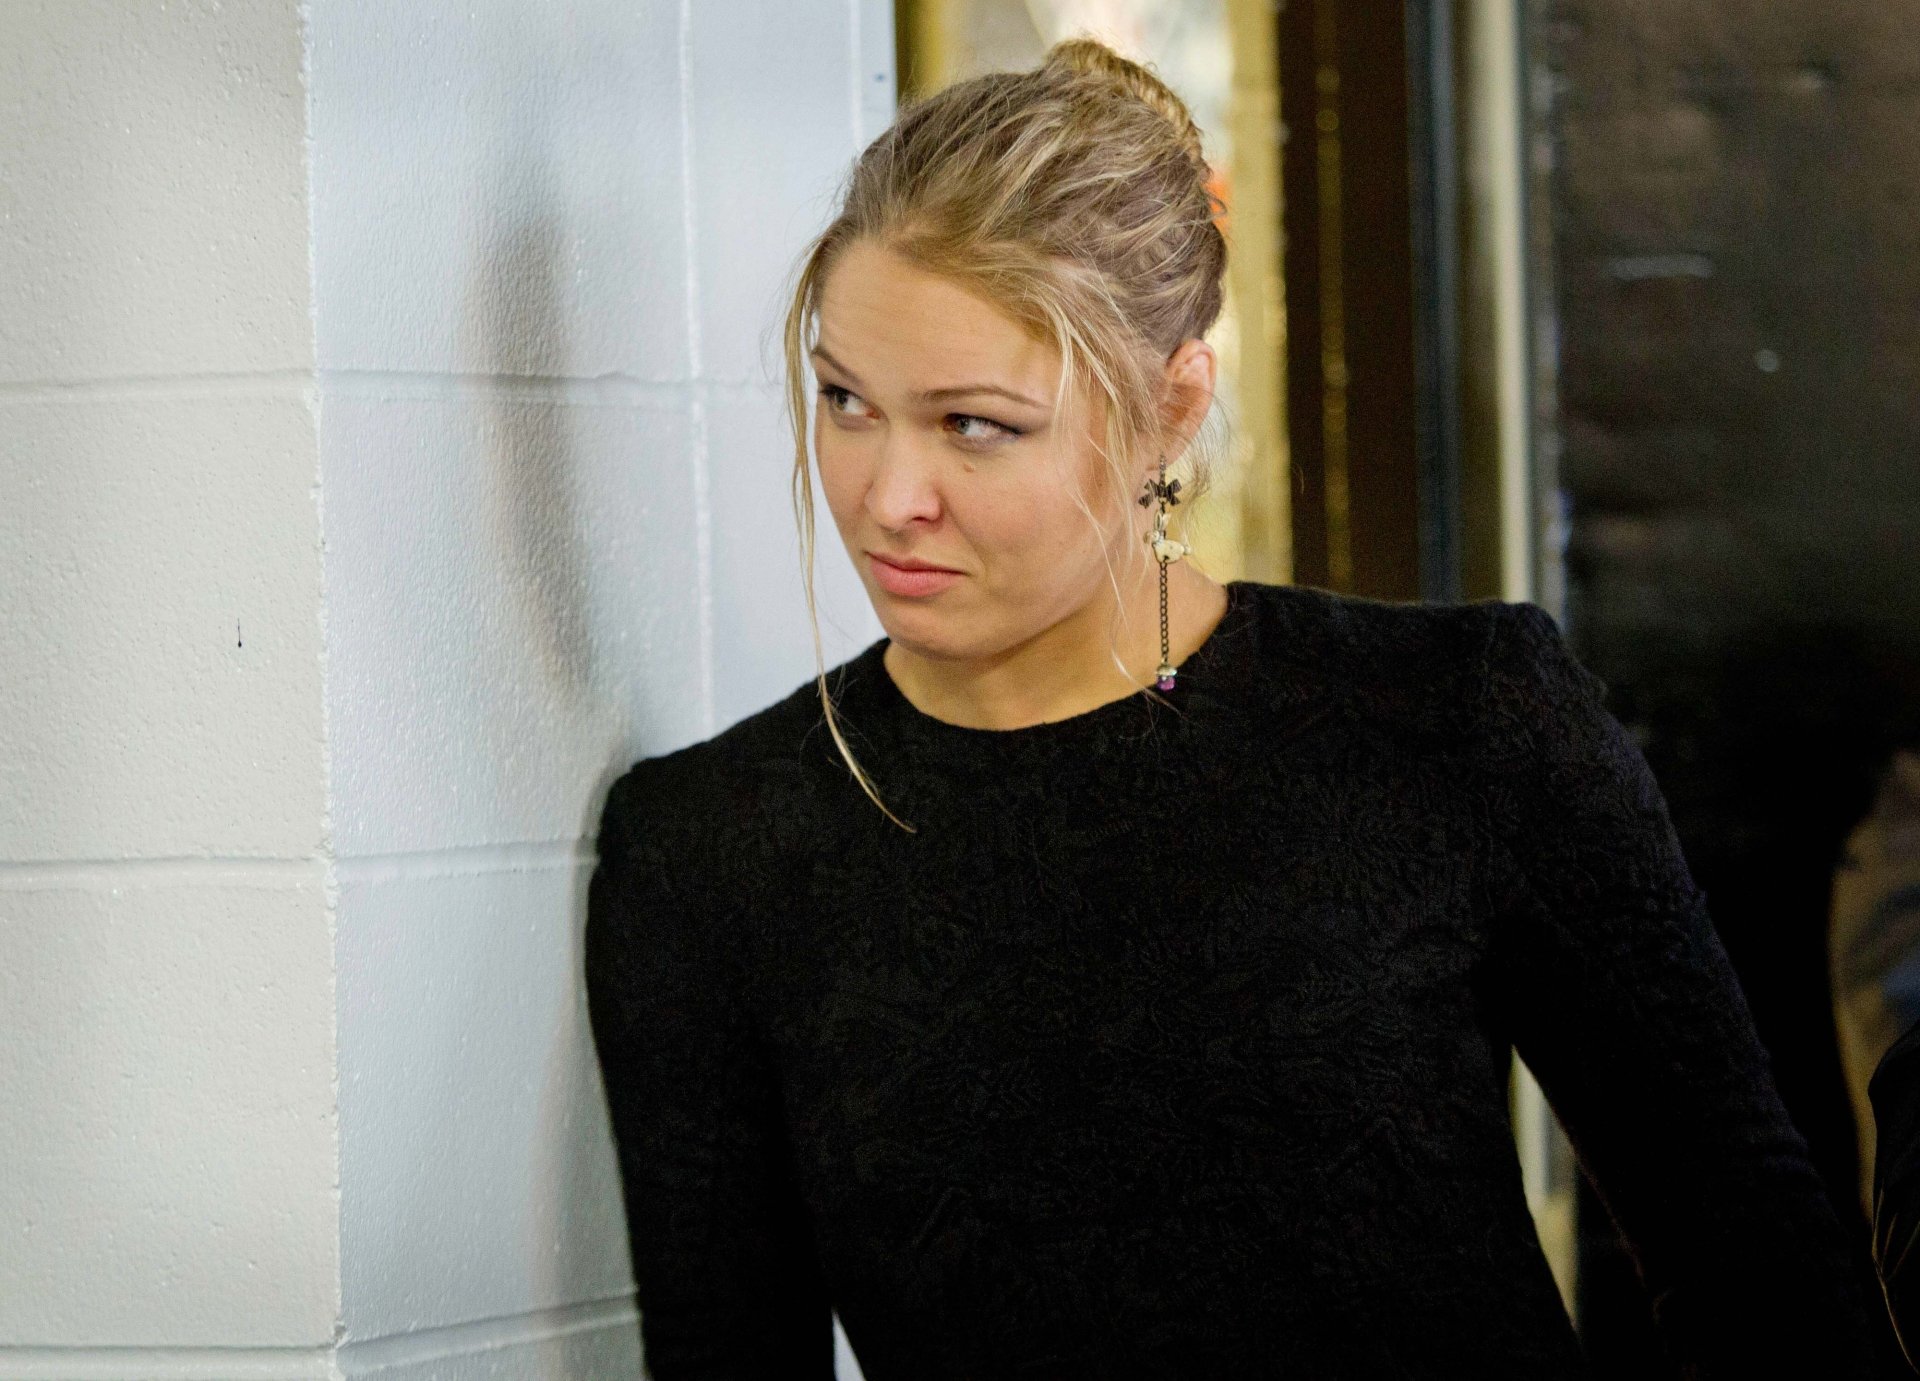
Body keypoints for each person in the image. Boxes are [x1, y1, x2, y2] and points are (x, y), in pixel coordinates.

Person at [582, 37, 1877, 1379]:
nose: (886, 493)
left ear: (1169, 408)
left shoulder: (1456, 722)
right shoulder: (706, 851)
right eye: (847, 400)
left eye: (972, 424)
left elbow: (1759, 1266)